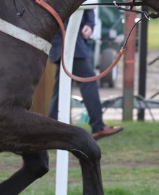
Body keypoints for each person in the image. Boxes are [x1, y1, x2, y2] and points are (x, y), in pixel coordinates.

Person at [48, 8, 123, 141]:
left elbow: (88, 5)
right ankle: (98, 126)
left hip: (72, 43)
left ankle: (49, 129)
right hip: (68, 43)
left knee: (61, 89)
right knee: (88, 81)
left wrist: (89, 24)